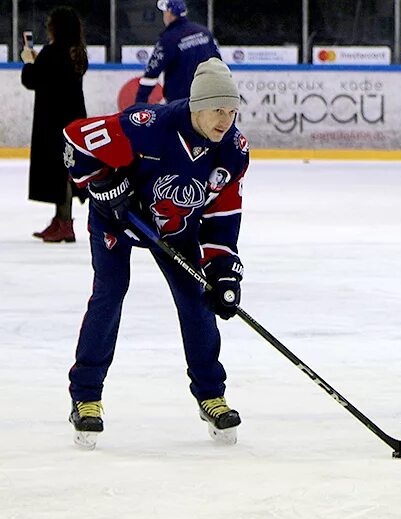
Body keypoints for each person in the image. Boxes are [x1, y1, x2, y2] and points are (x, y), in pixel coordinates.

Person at [62, 58, 249, 449]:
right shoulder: (148, 125)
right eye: (218, 109)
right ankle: (86, 397)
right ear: (197, 105)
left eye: (232, 111)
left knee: (198, 298)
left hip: (176, 230)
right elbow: (75, 141)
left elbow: (221, 218)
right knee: (110, 294)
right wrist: (104, 185)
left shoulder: (231, 150)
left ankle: (211, 393)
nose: (225, 120)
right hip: (117, 221)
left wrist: (224, 272)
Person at [21, 6, 88, 243]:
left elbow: (32, 80)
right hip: (73, 119)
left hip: (53, 121)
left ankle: (65, 222)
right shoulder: (77, 51)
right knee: (66, 170)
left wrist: (29, 62)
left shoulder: (52, 52)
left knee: (59, 172)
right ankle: (61, 219)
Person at [135, 0, 221, 105]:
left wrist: (139, 104)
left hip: (180, 103)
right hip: (207, 98)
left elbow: (151, 73)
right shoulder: (204, 32)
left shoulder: (168, 39)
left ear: (169, 13)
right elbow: (219, 63)